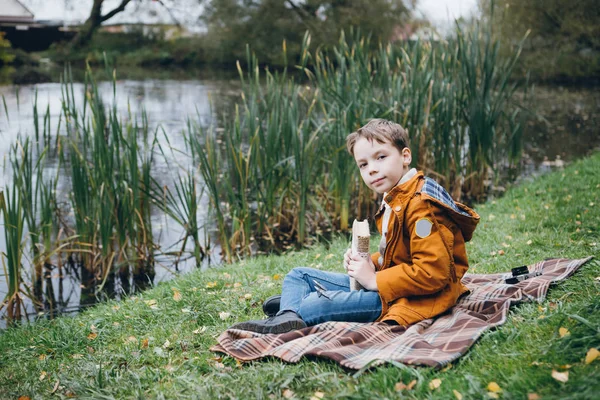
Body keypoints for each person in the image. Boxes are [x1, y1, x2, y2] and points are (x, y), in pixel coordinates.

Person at [230, 119, 480, 334]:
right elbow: (399, 253)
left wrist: (373, 279)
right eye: (363, 164)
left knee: (311, 306)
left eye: (381, 157)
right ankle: (288, 313)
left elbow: (433, 273)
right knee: (299, 275)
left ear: (405, 156)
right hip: (392, 285)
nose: (372, 169)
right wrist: (369, 262)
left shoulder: (422, 209)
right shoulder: (396, 196)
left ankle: (295, 308)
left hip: (412, 298)